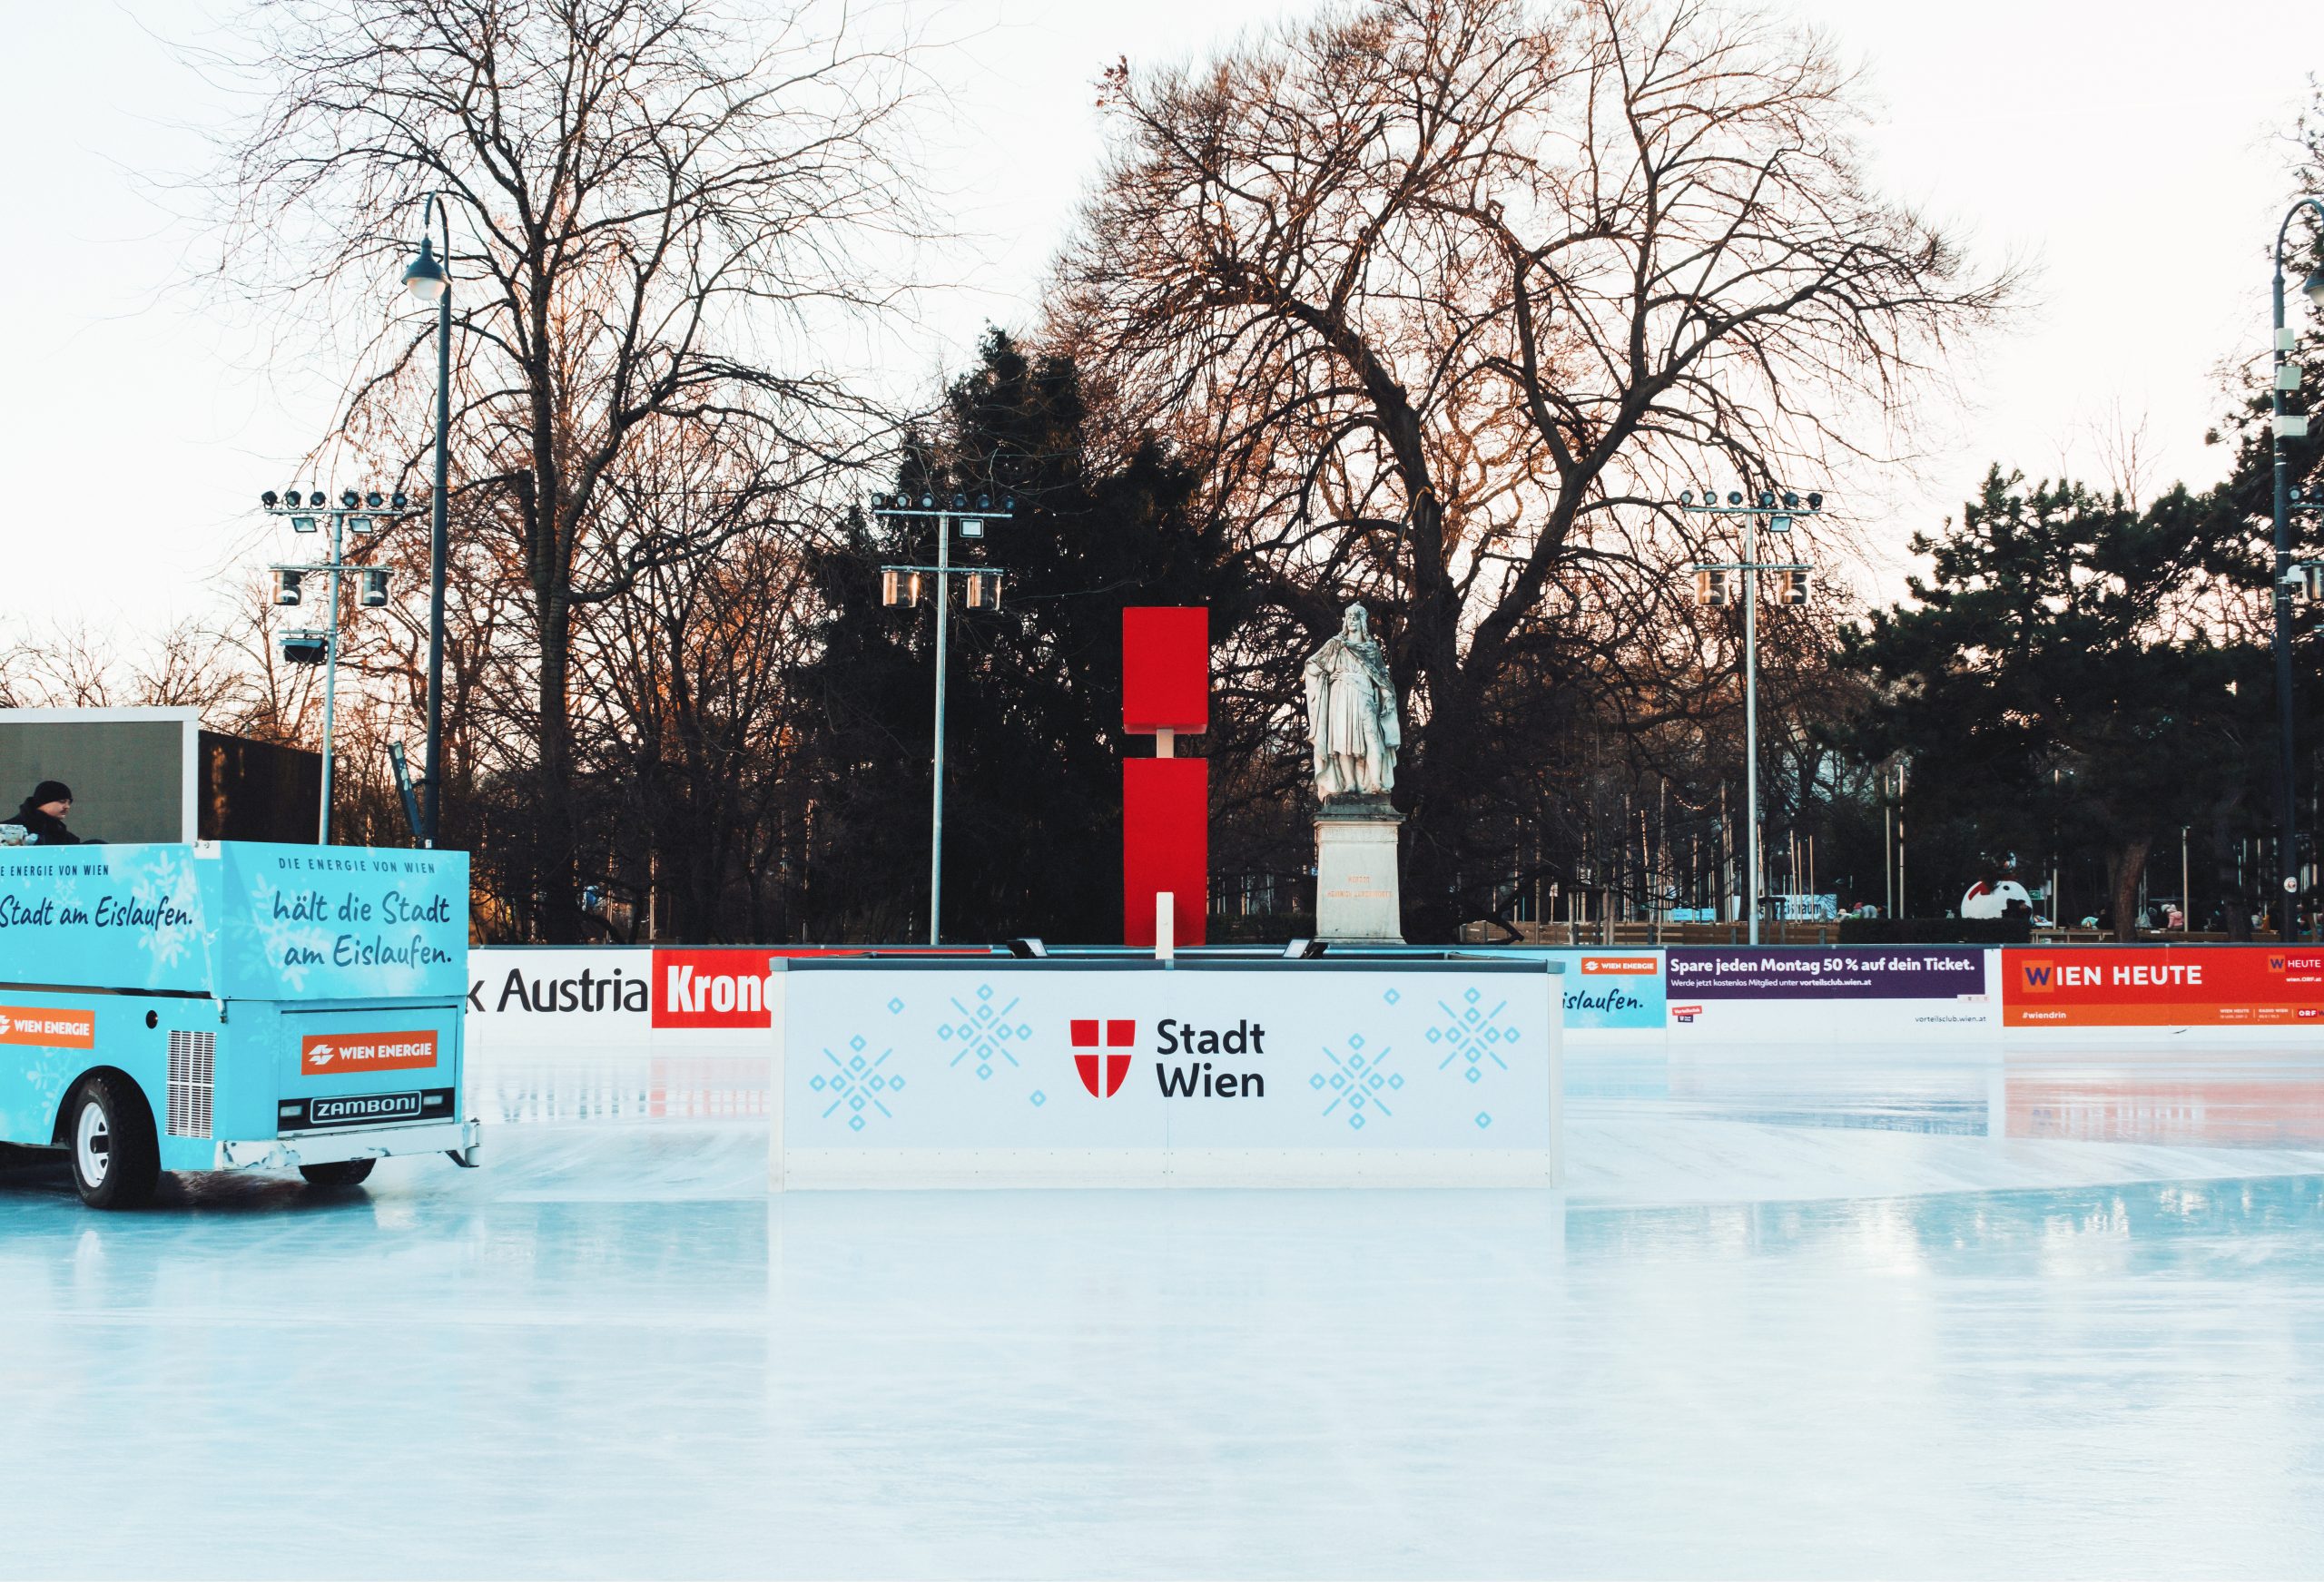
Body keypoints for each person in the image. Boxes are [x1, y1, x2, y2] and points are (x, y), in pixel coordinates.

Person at [12, 781, 82, 846]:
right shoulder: (8, 830)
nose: (67, 806)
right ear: (43, 802)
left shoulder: (67, 837)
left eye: (69, 802)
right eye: (62, 801)